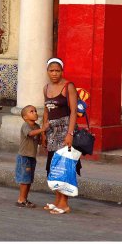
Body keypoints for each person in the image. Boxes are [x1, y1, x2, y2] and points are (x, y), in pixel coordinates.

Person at [41, 57, 78, 214]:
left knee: (63, 168)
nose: (54, 73)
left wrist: (70, 134)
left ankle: (64, 204)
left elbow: (74, 112)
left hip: (64, 131)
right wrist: (43, 132)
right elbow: (45, 111)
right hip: (51, 132)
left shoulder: (68, 86)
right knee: (52, 167)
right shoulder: (46, 88)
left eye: (57, 70)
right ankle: (57, 200)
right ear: (47, 71)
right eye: (51, 70)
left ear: (62, 71)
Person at [15, 105, 49, 208]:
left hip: (31, 157)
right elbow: (30, 134)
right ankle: (21, 199)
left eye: (35, 111)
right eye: (31, 111)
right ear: (25, 117)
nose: (35, 113)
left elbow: (38, 140)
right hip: (24, 156)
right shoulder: (26, 125)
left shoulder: (37, 126)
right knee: (25, 179)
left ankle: (25, 199)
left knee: (29, 179)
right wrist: (43, 129)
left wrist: (43, 140)